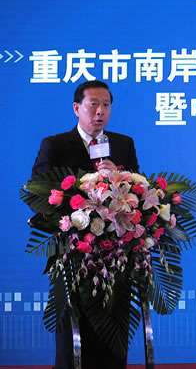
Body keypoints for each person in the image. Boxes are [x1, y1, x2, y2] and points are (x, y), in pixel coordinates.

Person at [31, 80, 139, 369]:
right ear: (76, 108)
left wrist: (119, 178)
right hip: (73, 256)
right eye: (93, 105)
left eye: (106, 105)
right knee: (74, 341)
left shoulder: (123, 145)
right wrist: (79, 199)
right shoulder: (55, 145)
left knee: (113, 337)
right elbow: (37, 195)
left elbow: (136, 196)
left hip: (115, 258)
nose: (100, 111)